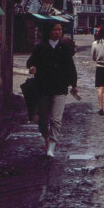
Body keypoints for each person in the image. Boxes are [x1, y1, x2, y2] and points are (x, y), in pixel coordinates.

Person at [27, 22, 78, 157]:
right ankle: (46, 138)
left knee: (56, 119)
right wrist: (32, 67)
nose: (58, 32)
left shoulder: (65, 47)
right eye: (55, 30)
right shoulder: (40, 47)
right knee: (43, 119)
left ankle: (52, 145)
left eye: (60, 30)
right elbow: (31, 62)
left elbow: (70, 67)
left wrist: (74, 84)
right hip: (43, 87)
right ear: (49, 31)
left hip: (60, 87)